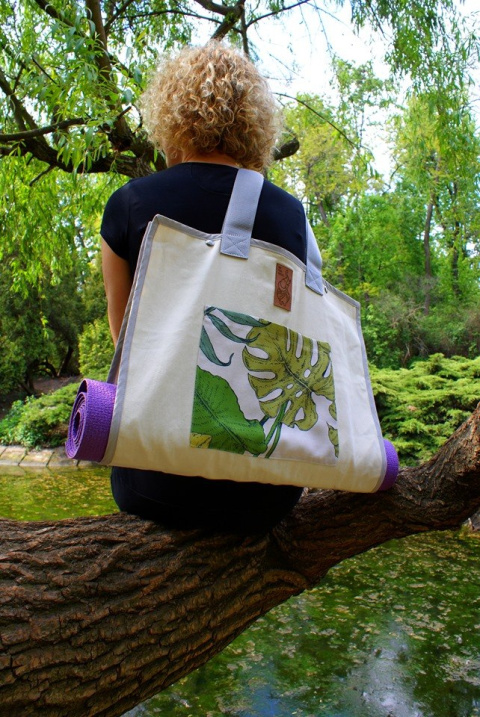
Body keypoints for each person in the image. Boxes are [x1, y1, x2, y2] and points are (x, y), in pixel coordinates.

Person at [100, 41, 306, 533]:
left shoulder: (130, 203)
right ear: (256, 123)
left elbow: (125, 342)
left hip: (155, 479)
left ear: (171, 114)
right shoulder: (290, 214)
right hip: (270, 485)